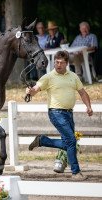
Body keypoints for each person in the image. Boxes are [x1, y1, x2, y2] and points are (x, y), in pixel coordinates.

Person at [26, 50, 93, 181]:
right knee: (71, 141)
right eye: (56, 62)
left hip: (69, 113)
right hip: (56, 113)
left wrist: (89, 106)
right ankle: (76, 172)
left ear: (67, 63)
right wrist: (30, 91)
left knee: (69, 142)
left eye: (61, 63)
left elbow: (83, 93)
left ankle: (42, 140)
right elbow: (36, 89)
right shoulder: (48, 77)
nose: (58, 65)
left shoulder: (73, 76)